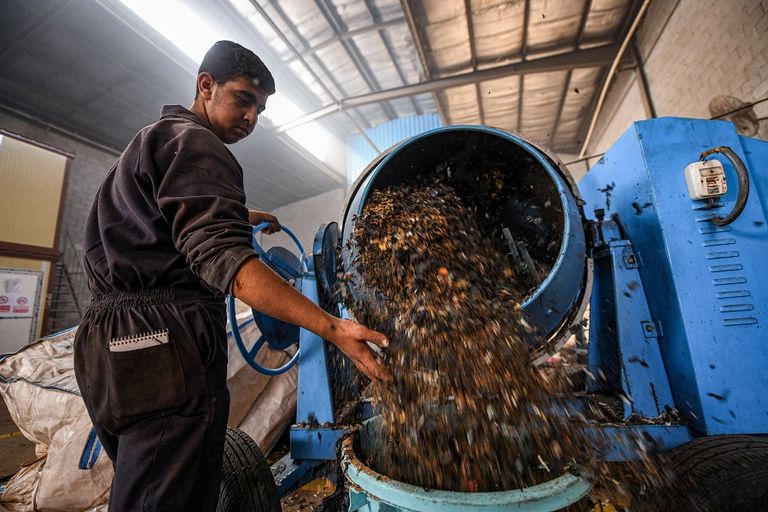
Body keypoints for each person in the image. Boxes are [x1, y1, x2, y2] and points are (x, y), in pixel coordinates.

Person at [73, 40, 389, 511]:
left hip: (111, 344)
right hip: (165, 347)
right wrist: (333, 327)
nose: (251, 118)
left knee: (145, 489)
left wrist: (237, 214)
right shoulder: (200, 145)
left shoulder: (154, 140)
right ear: (206, 85)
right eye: (243, 99)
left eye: (259, 109)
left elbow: (155, 228)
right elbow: (236, 272)